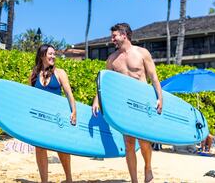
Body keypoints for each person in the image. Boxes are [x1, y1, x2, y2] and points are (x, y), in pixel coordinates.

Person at [92, 23, 163, 183]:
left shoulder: (142, 53)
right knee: (129, 143)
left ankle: (148, 167)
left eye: (114, 36)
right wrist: (97, 100)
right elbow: (104, 83)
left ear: (124, 35)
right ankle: (134, 180)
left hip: (143, 102)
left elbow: (153, 77)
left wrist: (159, 97)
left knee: (144, 141)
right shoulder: (112, 59)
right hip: (124, 105)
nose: (112, 39)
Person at [29, 44, 77, 183]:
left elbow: (69, 93)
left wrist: (74, 110)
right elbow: (30, 96)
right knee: (39, 148)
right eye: (50, 54)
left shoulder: (60, 73)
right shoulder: (33, 74)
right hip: (40, 117)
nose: (53, 56)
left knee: (61, 148)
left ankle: (68, 178)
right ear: (42, 55)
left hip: (57, 117)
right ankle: (44, 180)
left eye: (54, 54)